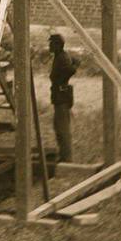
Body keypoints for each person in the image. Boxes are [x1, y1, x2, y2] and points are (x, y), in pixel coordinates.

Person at [48, 33, 78, 162]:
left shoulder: (62, 57)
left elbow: (71, 70)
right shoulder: (59, 56)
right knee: (58, 126)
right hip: (59, 95)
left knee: (62, 128)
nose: (49, 46)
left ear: (57, 45)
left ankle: (66, 158)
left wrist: (61, 81)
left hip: (62, 96)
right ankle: (64, 155)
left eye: (51, 43)